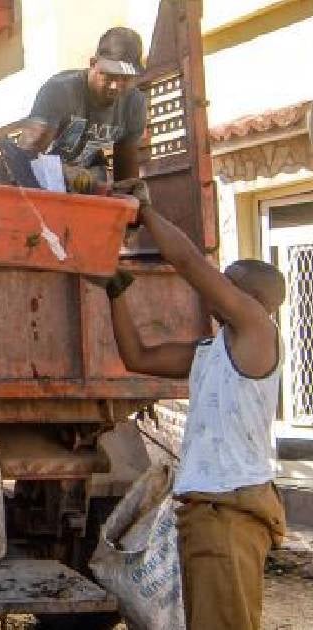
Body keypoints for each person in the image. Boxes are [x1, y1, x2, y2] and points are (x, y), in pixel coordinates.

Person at [102, 180, 287, 630]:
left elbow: (187, 262)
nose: (216, 288)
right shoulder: (212, 350)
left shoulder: (258, 332)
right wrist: (115, 289)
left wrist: (143, 212)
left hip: (229, 511)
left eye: (229, 285)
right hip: (208, 511)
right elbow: (138, 357)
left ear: (256, 303)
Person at [0, 27, 147, 190]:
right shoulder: (61, 91)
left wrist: (134, 197)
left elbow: (125, 174)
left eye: (125, 78)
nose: (116, 86)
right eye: (109, 75)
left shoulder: (134, 104)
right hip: (22, 173)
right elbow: (22, 160)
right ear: (93, 64)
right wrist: (62, 171)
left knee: (98, 181)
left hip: (79, 180)